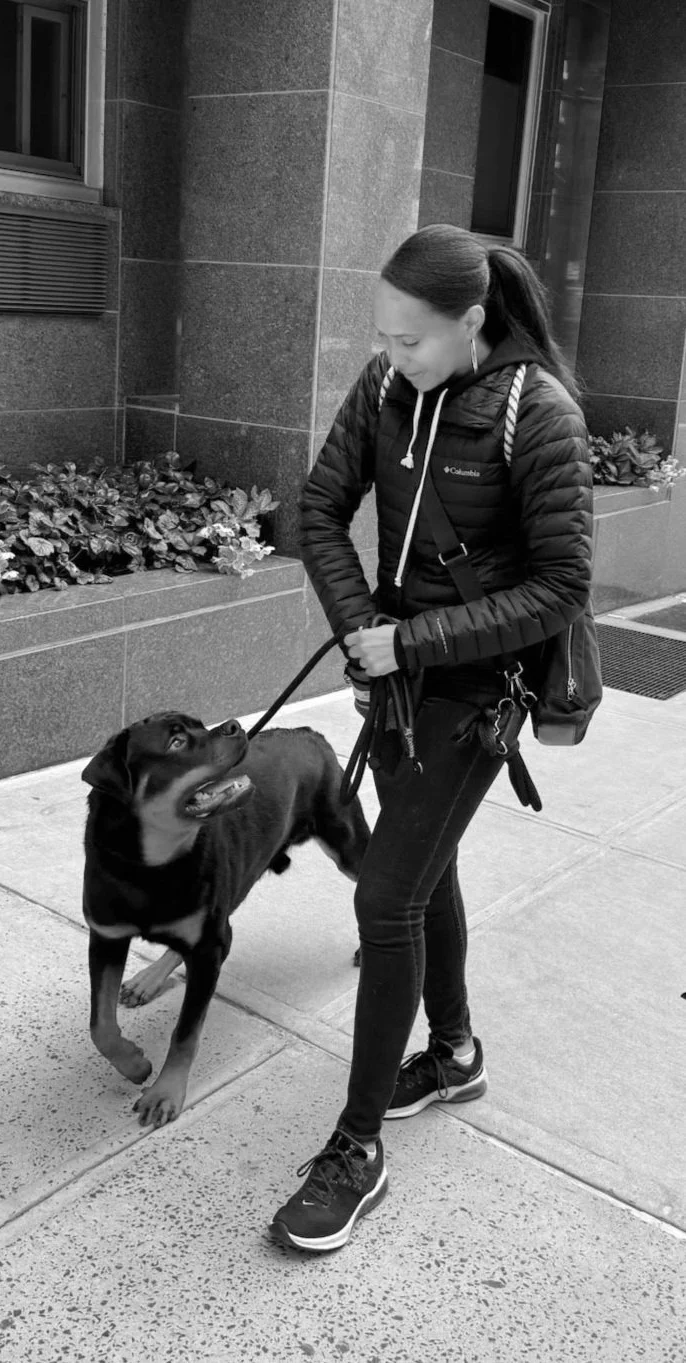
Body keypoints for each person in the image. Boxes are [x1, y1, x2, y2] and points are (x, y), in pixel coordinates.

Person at [269, 223, 594, 1253]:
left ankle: (357, 1147)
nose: (391, 356)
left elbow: (561, 586)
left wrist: (409, 638)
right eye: (382, 336)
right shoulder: (382, 391)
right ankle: (451, 1052)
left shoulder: (538, 413)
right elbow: (318, 508)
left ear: (470, 322)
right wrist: (363, 629)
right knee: (422, 870)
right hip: (397, 679)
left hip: (478, 685)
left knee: (384, 892)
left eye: (411, 340)